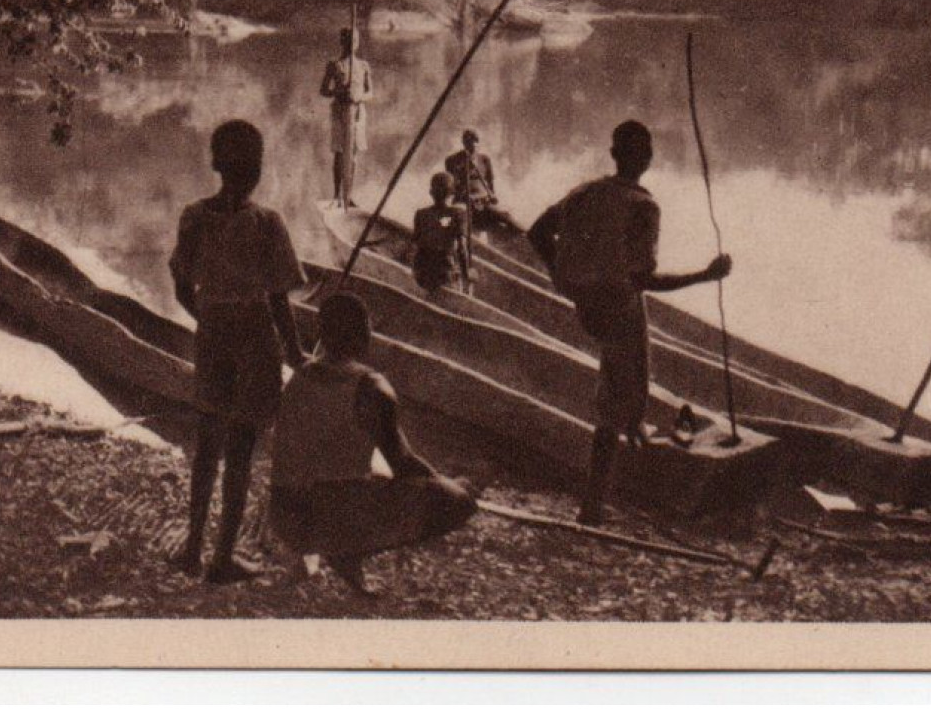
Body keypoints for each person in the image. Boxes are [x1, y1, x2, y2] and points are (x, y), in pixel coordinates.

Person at [526, 120, 732, 525]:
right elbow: (644, 280)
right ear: (647, 159)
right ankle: (592, 508)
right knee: (613, 401)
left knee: (631, 380)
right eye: (648, 151)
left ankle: (635, 431)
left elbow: (537, 233)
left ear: (613, 154)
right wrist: (704, 276)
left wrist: (562, 279)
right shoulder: (643, 206)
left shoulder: (586, 192)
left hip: (589, 306)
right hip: (616, 308)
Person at [167, 120, 308, 583]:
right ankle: (222, 557)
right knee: (241, 450)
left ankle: (191, 548)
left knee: (207, 445)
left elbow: (182, 285)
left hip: (212, 336)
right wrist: (296, 353)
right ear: (258, 170)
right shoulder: (267, 223)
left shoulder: (193, 217)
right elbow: (278, 300)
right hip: (254, 342)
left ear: (216, 165)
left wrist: (207, 316)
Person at [268, 292, 477, 596]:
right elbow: (403, 463)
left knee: (353, 479)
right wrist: (446, 483)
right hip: (327, 516)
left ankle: (340, 552)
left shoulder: (299, 377)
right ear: (362, 335)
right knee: (458, 502)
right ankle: (346, 550)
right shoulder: (372, 386)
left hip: (285, 517)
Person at [320, 27, 372, 205]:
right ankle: (336, 195)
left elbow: (370, 92)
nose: (353, 44)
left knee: (354, 154)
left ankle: (348, 194)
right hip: (340, 112)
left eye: (356, 40)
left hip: (358, 113)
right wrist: (339, 92)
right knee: (340, 153)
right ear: (342, 42)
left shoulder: (363, 65)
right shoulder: (335, 65)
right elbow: (324, 90)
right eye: (349, 40)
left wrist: (359, 97)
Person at [444, 129, 522, 234]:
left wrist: (491, 196)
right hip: (464, 202)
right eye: (468, 141)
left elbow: (490, 184)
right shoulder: (452, 160)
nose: (472, 144)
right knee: (459, 218)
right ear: (463, 142)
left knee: (505, 216)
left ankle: (527, 234)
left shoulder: (484, 159)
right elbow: (451, 187)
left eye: (475, 141)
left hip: (483, 202)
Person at [411, 171, 471, 295]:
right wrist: (467, 274)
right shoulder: (459, 214)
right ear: (452, 193)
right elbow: (462, 249)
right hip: (445, 275)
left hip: (422, 274)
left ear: (431, 193)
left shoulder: (421, 214)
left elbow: (415, 245)